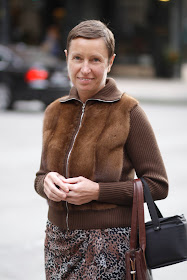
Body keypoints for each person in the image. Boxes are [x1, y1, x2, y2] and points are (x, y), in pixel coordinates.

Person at [34, 20, 168, 279]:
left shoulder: (129, 111)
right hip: (57, 244)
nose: (85, 69)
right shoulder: (54, 111)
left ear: (110, 61)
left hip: (110, 248)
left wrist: (97, 191)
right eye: (77, 58)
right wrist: (46, 184)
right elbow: (41, 176)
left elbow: (158, 186)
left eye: (95, 59)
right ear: (66, 58)